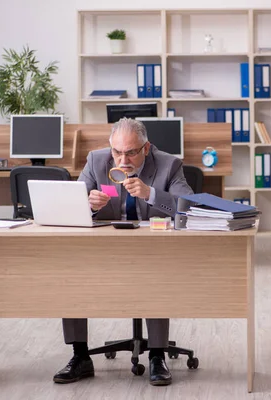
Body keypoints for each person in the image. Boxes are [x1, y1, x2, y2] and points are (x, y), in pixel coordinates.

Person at [53, 118, 193, 386]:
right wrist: (89, 204)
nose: (123, 159)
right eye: (117, 152)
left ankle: (157, 355)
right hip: (105, 248)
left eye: (130, 152)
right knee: (71, 272)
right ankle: (80, 356)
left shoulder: (168, 164)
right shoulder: (96, 161)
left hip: (152, 249)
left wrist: (151, 193)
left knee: (154, 272)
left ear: (146, 148)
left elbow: (186, 207)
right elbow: (70, 206)